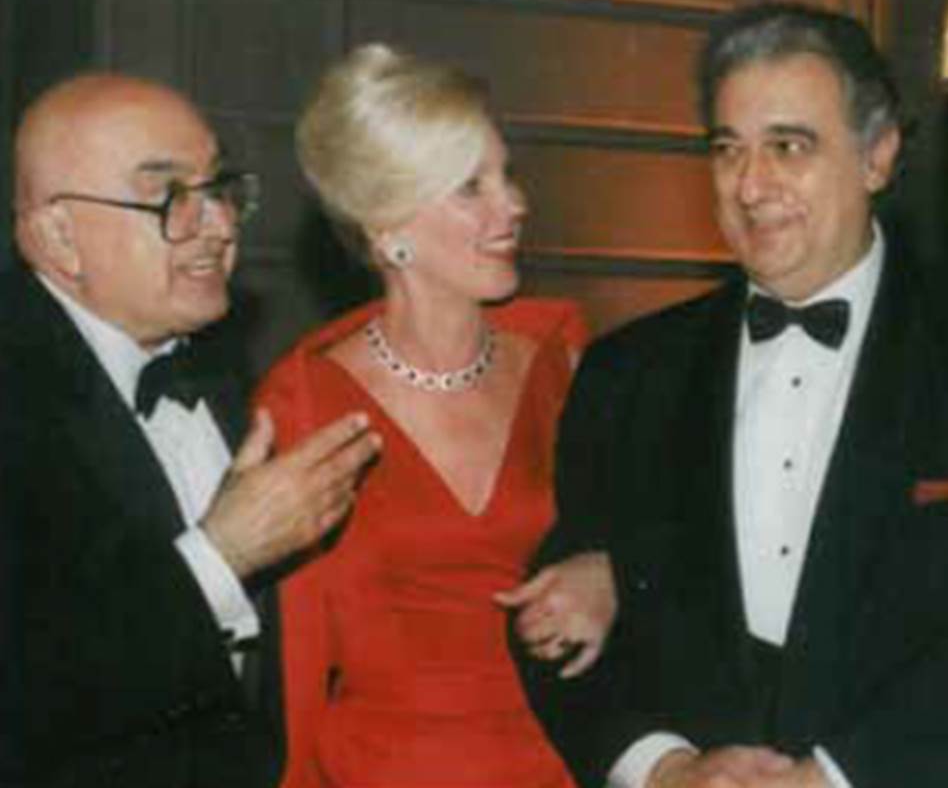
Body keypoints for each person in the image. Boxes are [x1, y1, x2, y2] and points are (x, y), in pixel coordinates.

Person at [521, 2, 948, 788]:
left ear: (878, 156)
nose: (750, 184)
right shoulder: (629, 374)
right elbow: (554, 620)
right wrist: (663, 769)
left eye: (789, 146)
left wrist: (839, 778)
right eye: (727, 149)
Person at [0, 74, 381, 787]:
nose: (220, 225)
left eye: (220, 188)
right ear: (57, 235)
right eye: (169, 196)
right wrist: (220, 555)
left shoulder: (220, 365)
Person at [256, 43, 608, 788]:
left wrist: (609, 572)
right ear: (387, 230)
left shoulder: (562, 355)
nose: (513, 204)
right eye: (470, 187)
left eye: (506, 174)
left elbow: (641, 545)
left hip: (564, 760)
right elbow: (298, 669)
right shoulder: (305, 401)